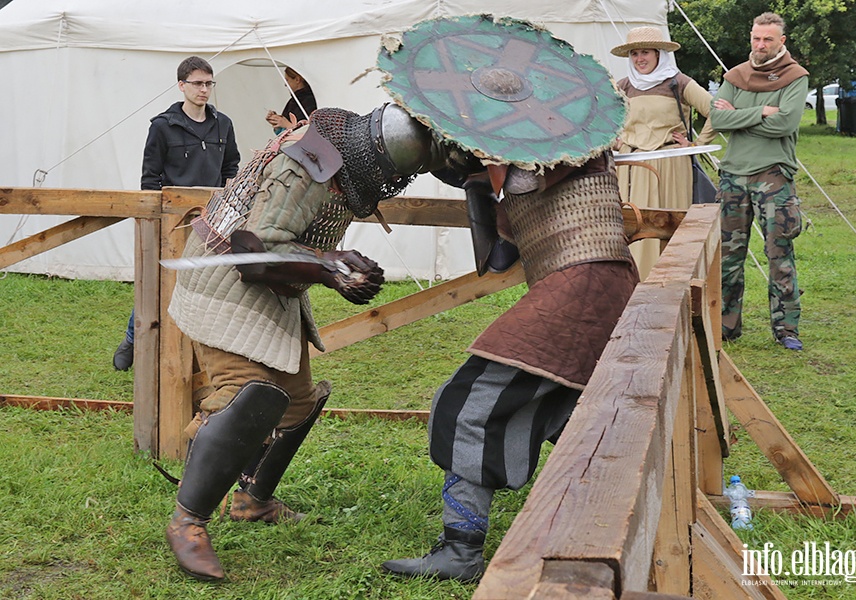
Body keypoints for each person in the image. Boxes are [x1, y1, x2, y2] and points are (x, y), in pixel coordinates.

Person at [163, 102, 454, 581]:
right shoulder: (305, 164)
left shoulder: (337, 161)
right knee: (250, 395)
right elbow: (256, 246)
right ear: (371, 154)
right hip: (227, 284)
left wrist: (334, 268)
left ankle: (251, 501)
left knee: (296, 403)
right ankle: (187, 523)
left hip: (270, 288)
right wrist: (331, 266)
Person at [381, 150, 639, 582]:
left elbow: (525, 170)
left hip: (582, 285)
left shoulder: (563, 150)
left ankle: (461, 551)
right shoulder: (523, 164)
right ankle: (615, 509)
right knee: (564, 410)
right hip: (590, 284)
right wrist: (472, 180)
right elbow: (499, 258)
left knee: (466, 403)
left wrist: (472, 160)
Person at [113, 56, 241, 371]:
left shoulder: (223, 123)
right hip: (172, 220)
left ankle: (202, 352)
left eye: (209, 83)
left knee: (208, 283)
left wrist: (226, 207)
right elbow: (150, 178)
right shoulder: (162, 126)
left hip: (210, 220)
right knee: (160, 281)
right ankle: (132, 339)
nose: (204, 89)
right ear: (181, 85)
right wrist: (154, 219)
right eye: (198, 83)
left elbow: (231, 167)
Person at [709, 12, 808, 351]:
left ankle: (786, 328)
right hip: (733, 174)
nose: (760, 45)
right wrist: (761, 111)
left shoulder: (795, 77)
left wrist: (739, 117)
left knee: (778, 252)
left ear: (782, 41)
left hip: (773, 176)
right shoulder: (736, 75)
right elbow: (718, 118)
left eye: (768, 39)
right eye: (756, 38)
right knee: (728, 255)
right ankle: (726, 324)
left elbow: (785, 124)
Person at [610, 26, 716, 279]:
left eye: (645, 52)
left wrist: (696, 144)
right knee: (633, 229)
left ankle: (671, 286)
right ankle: (633, 286)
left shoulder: (677, 83)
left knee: (667, 227)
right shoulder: (622, 86)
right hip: (631, 171)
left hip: (669, 167)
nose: (639, 59)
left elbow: (717, 111)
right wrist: (616, 141)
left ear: (659, 54)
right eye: (634, 54)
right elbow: (603, 121)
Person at [265, 67, 318, 134]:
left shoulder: (310, 100)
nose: (285, 84)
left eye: (287, 80)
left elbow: (308, 131)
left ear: (297, 80)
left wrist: (287, 125)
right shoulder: (294, 101)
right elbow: (283, 132)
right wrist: (277, 122)